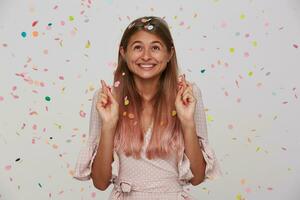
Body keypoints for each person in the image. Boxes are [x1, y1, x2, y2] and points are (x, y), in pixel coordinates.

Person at [73, 16, 222, 200]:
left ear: (169, 54)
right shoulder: (107, 99)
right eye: (137, 47)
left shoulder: (187, 95)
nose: (146, 56)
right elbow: (100, 182)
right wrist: (109, 125)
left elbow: (197, 177)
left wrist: (187, 122)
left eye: (155, 48)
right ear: (123, 53)